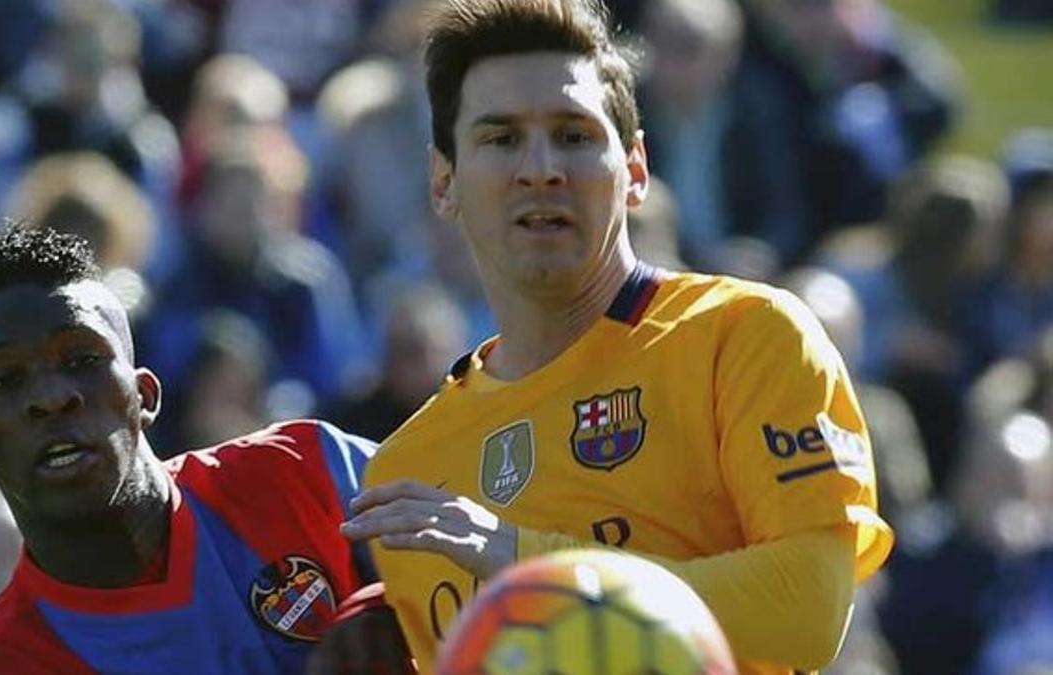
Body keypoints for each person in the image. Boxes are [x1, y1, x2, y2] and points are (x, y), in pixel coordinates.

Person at [334, 1, 894, 673]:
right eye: (501, 138)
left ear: (634, 168)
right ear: (443, 180)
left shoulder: (747, 336)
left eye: (573, 135)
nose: (540, 168)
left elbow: (806, 610)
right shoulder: (408, 474)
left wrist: (523, 558)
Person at [0, 224, 392, 673]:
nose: (53, 397)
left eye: (82, 359)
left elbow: (462, 536)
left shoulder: (308, 470)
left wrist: (394, 602)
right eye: (5, 379)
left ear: (145, 396)